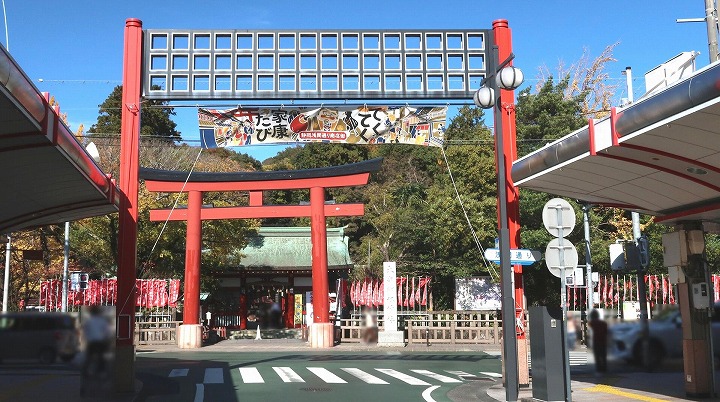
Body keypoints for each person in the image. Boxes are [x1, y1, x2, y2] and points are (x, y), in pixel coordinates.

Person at [82, 306, 112, 378]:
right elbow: (107, 332)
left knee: (89, 357)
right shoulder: (102, 321)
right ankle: (101, 372)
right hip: (100, 341)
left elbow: (85, 331)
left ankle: (87, 371)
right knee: (101, 357)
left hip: (91, 341)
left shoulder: (89, 321)